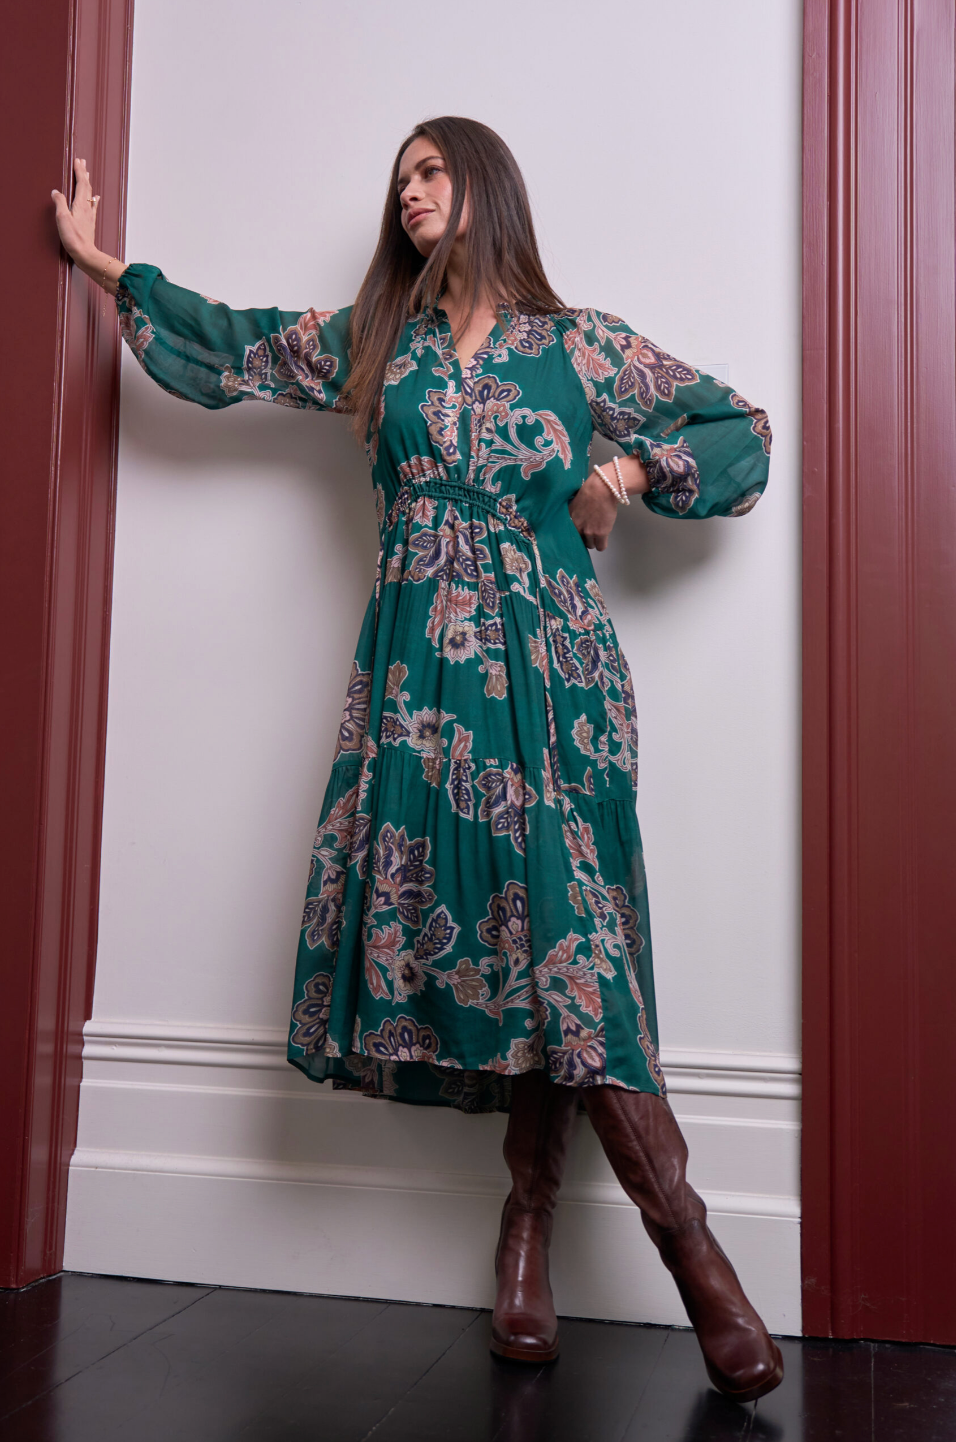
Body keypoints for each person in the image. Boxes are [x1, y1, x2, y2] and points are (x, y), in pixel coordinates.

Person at [53, 116, 782, 1402]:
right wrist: (109, 266)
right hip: (420, 690)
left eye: (430, 170)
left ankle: (684, 1252)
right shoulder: (377, 342)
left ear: (486, 183)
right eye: (398, 180)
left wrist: (621, 467)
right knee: (527, 952)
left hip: (554, 683)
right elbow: (235, 343)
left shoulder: (578, 344)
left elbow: (740, 433)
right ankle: (527, 1231)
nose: (408, 193)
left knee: (573, 949)